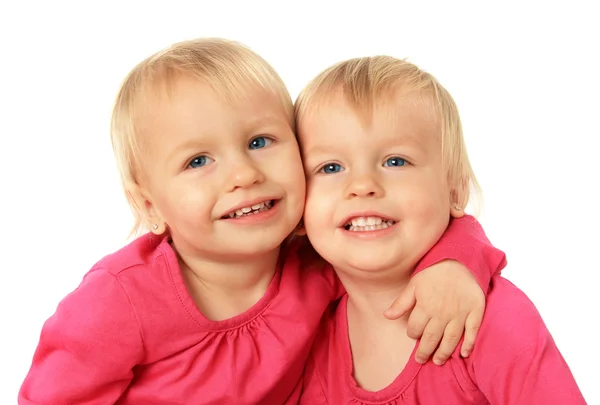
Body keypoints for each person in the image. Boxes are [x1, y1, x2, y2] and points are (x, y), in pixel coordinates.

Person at [19, 39, 505, 404]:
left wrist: (454, 265)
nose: (243, 174)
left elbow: (417, 226)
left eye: (260, 142)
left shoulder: (316, 262)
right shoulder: (118, 300)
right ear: (149, 205)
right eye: (197, 161)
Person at [296, 55, 586, 404]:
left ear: (455, 192)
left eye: (395, 161)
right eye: (330, 167)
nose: (362, 185)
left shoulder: (494, 321)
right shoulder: (303, 326)